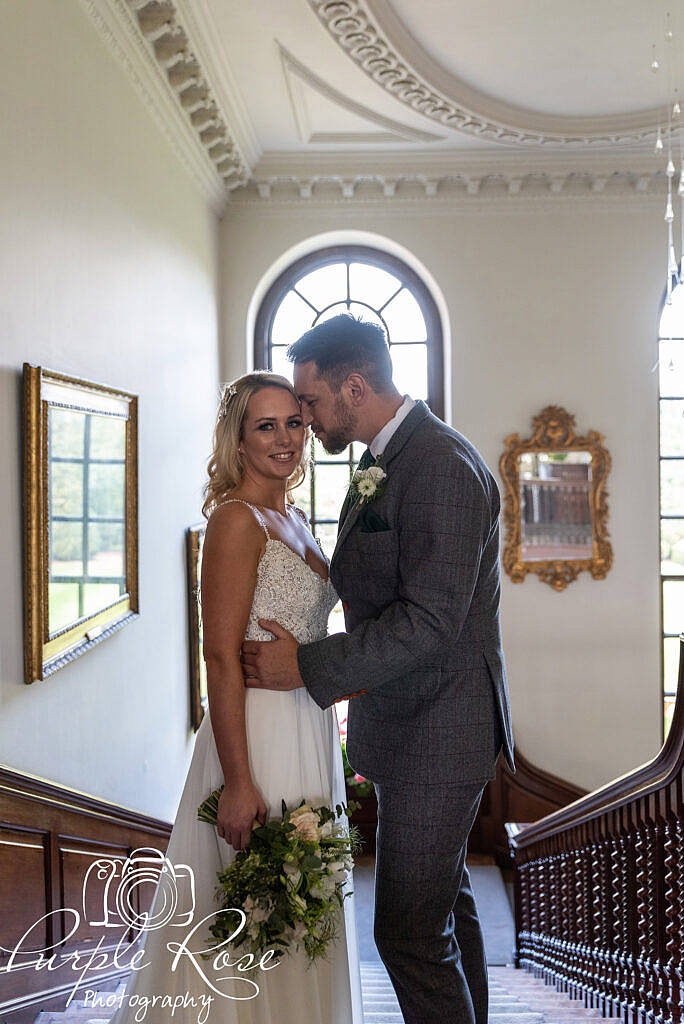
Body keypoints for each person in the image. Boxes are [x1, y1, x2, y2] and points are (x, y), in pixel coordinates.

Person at [241, 316, 516, 1024]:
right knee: (443, 910)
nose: (304, 419)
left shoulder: (441, 467)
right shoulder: (390, 457)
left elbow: (429, 620)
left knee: (408, 934)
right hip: (410, 718)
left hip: (441, 728)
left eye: (310, 403)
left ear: (354, 386)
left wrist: (305, 664)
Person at [109, 371, 364, 1024]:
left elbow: (315, 634)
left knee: (302, 915)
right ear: (239, 440)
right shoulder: (234, 521)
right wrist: (239, 783)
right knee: (259, 918)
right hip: (258, 741)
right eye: (266, 426)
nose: (286, 439)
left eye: (295, 423)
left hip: (308, 732)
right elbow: (219, 659)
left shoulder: (296, 518)